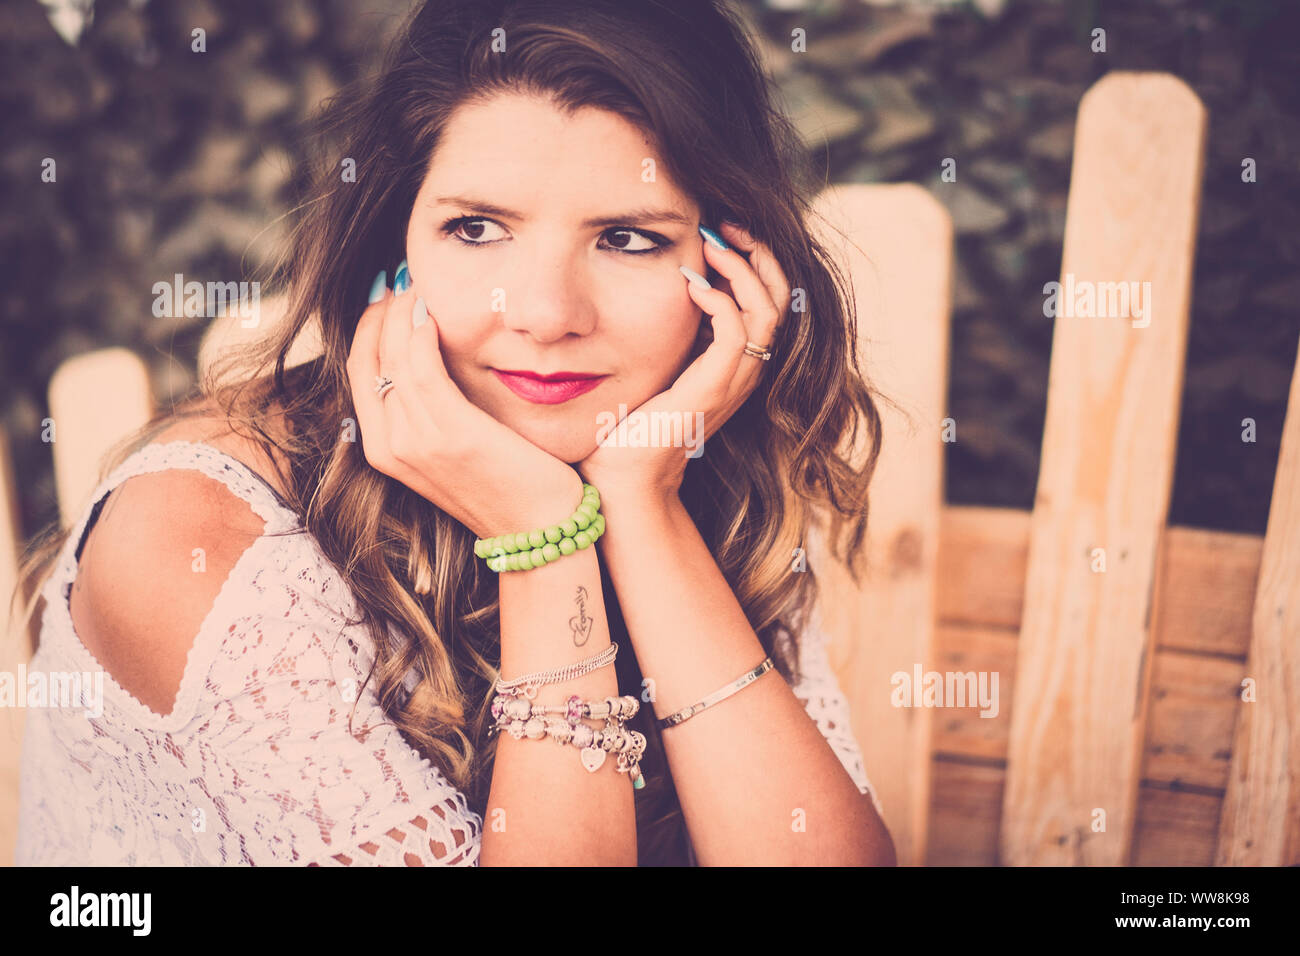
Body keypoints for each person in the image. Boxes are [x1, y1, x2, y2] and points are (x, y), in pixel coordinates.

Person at [13, 0, 894, 866]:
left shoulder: (682, 456)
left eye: (627, 238)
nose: (546, 315)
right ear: (393, 253)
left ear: (726, 270)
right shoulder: (203, 542)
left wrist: (640, 507)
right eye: (476, 229)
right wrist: (544, 544)